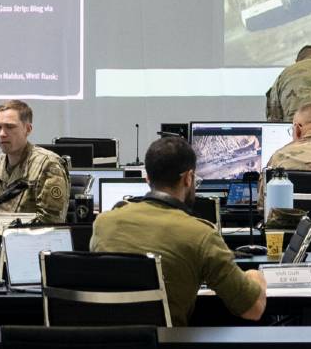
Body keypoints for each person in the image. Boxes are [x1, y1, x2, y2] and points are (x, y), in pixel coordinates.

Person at [91, 136, 266, 326]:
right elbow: (253, 309)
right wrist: (255, 277)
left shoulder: (104, 223)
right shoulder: (200, 234)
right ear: (188, 178)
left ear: (147, 178)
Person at [0, 100, 70, 228]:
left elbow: (51, 222)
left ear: (28, 129)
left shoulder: (48, 165)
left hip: (31, 245)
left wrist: (7, 229)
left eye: (10, 127)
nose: (2, 134)